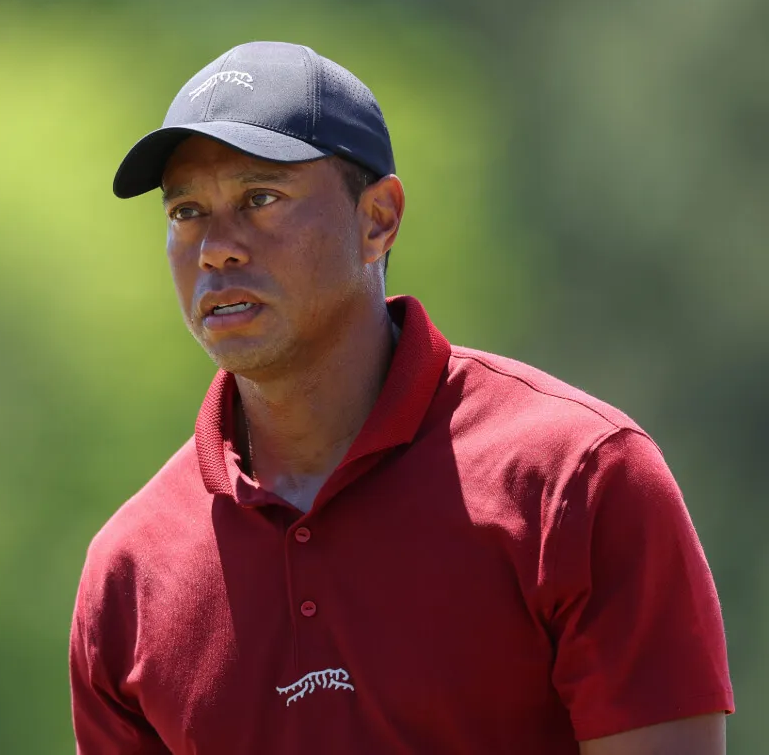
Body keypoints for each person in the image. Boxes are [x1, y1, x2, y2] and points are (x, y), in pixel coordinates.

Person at [69, 41, 734, 754]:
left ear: (378, 219)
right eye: (187, 211)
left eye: (260, 199)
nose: (215, 248)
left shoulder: (576, 480)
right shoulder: (130, 572)